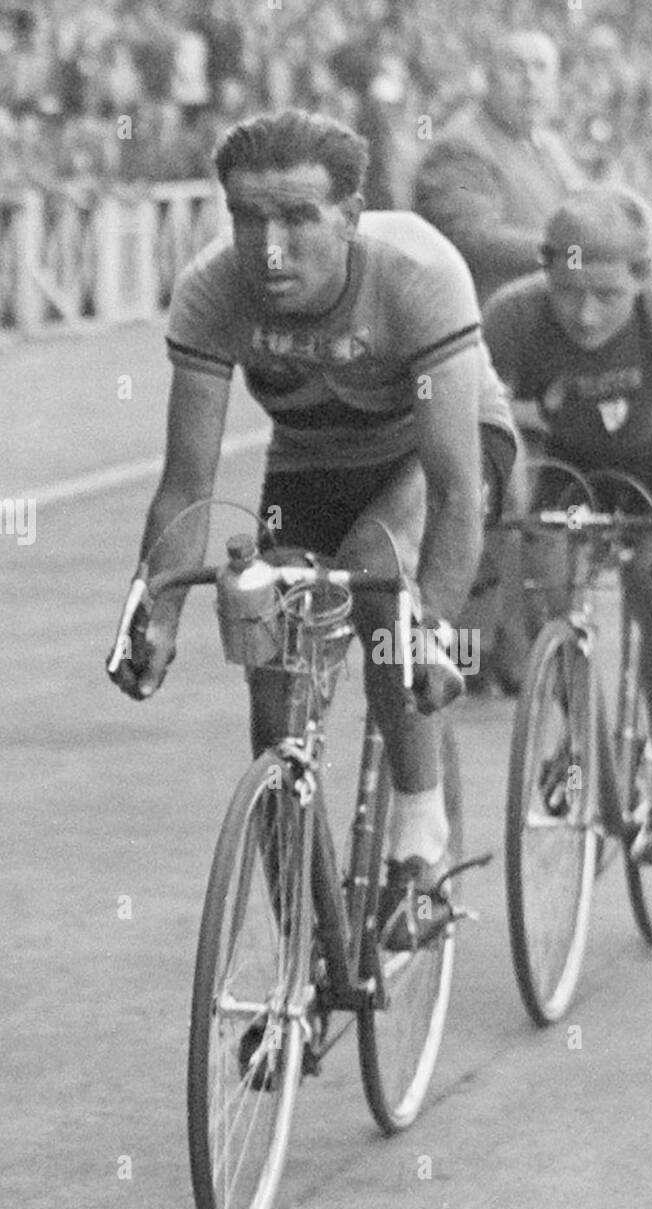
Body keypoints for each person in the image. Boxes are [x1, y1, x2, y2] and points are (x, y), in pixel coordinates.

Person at [107, 108, 516, 946]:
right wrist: (154, 615)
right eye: (248, 217)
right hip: (316, 458)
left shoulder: (416, 275)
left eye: (297, 217)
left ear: (352, 216)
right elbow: (186, 484)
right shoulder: (214, 290)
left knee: (378, 580)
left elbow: (452, 491)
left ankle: (420, 843)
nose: (269, 246)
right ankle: (306, 943)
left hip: (440, 449)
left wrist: (430, 626)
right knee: (272, 663)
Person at [483, 186, 652, 864]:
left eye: (605, 293)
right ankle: (578, 736)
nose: (585, 313)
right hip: (569, 467)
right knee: (543, 588)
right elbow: (485, 439)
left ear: (643, 277)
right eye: (566, 290)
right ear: (544, 273)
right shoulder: (511, 317)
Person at [414, 29, 583, 695]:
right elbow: (468, 235)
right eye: (516, 67)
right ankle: (486, 654)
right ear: (487, 74)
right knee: (494, 499)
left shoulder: (548, 144)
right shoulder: (463, 144)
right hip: (477, 346)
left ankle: (517, 651)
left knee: (530, 501)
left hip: (540, 344)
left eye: (543, 67)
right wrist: (568, 246)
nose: (531, 81)